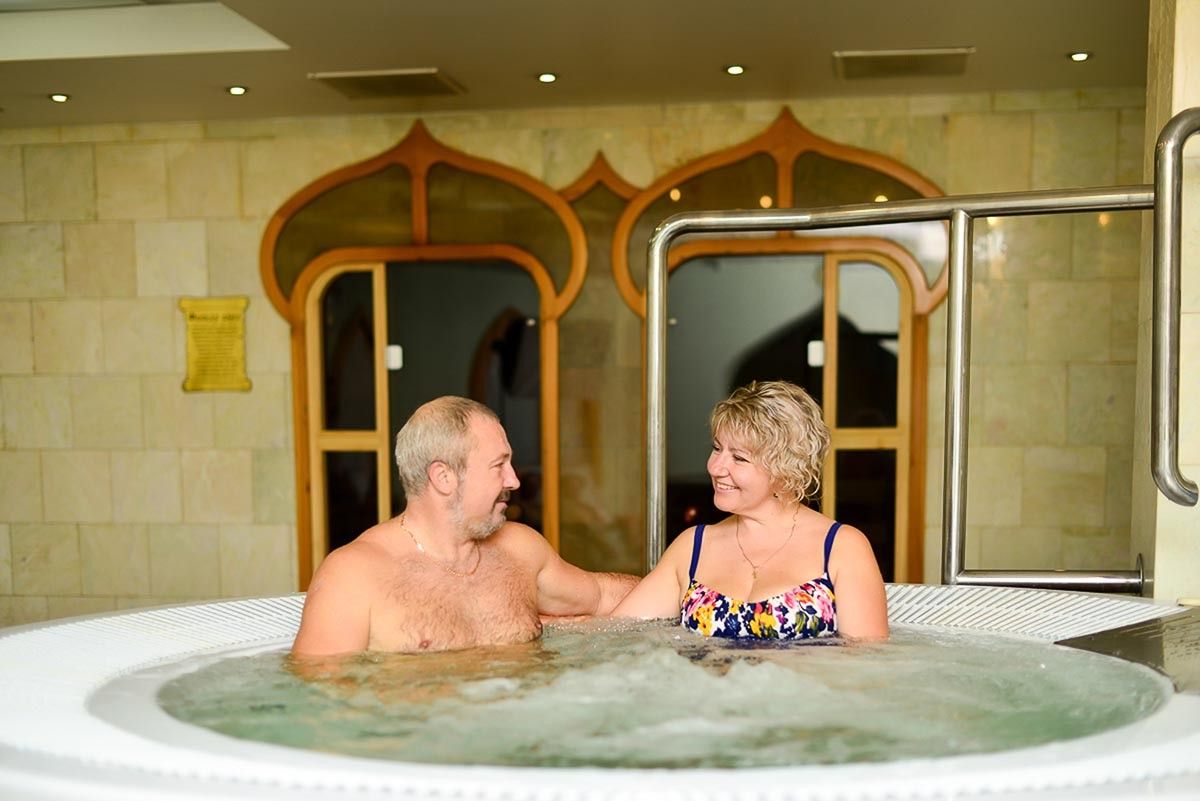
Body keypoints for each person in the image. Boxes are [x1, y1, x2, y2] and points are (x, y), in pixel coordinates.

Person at [292, 396, 638, 656]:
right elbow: (323, 706)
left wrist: (675, 577)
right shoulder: (353, 575)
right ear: (443, 477)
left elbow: (600, 596)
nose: (514, 480)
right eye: (498, 465)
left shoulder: (519, 550)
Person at [613, 380, 889, 640]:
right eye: (717, 448)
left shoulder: (842, 548)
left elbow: (867, 663)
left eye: (739, 458)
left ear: (785, 469)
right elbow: (614, 634)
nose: (715, 467)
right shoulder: (692, 546)